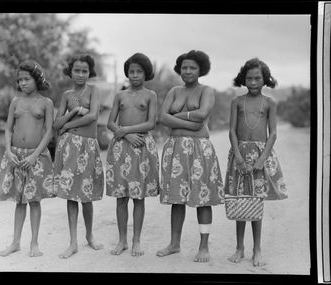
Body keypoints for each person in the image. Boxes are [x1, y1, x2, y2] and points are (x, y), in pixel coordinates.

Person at [156, 50, 224, 263]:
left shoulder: (207, 91)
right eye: (184, 67)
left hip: (199, 150)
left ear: (200, 69)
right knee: (177, 198)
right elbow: (162, 117)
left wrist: (176, 117)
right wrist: (188, 122)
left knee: (202, 198)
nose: (187, 71)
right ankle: (174, 244)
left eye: (192, 67)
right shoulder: (175, 91)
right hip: (175, 149)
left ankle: (203, 247)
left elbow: (202, 115)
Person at [224, 58, 288, 267]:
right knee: (240, 199)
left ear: (265, 79)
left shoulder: (270, 103)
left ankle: (257, 249)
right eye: (249, 78)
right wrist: (239, 157)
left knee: (255, 202)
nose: (253, 82)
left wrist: (262, 159)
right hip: (239, 155)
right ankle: (239, 248)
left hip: (260, 156)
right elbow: (232, 131)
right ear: (243, 79)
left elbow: (273, 133)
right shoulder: (236, 102)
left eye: (257, 78)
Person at [0, 60, 55, 257]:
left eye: (26, 79)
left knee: (34, 200)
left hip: (35, 157)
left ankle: (34, 243)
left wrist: (35, 155)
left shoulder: (46, 103)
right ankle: (15, 242)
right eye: (20, 80)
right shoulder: (16, 102)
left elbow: (48, 132)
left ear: (36, 79)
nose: (23, 83)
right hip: (16, 156)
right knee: (19, 201)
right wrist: (9, 151)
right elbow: (7, 128)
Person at [106, 53, 159, 257]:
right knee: (121, 197)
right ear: (127, 73)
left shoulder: (150, 95)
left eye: (139, 71)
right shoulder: (120, 95)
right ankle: (122, 241)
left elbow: (151, 123)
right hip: (122, 146)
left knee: (138, 197)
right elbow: (111, 122)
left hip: (141, 146)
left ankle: (136, 240)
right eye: (131, 71)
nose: (135, 75)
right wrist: (126, 135)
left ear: (146, 74)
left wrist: (126, 130)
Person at [53, 54, 104, 259]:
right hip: (69, 147)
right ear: (71, 71)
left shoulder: (94, 90)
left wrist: (68, 125)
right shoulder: (66, 95)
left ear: (89, 72)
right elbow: (57, 124)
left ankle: (89, 236)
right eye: (77, 70)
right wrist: (74, 113)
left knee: (86, 195)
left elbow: (93, 116)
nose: (81, 74)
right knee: (70, 195)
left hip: (88, 146)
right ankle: (73, 242)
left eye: (84, 71)